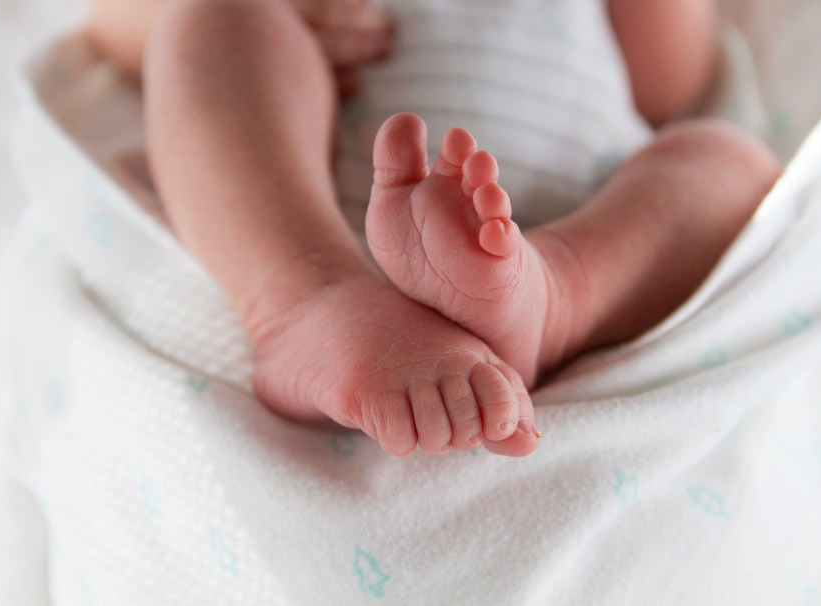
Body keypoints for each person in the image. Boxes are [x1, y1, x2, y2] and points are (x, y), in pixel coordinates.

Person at [82, 0, 781, 457]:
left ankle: (558, 300)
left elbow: (666, 79)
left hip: (575, 225)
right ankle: (306, 297)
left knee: (733, 165)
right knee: (212, 25)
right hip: (326, 203)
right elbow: (111, 25)